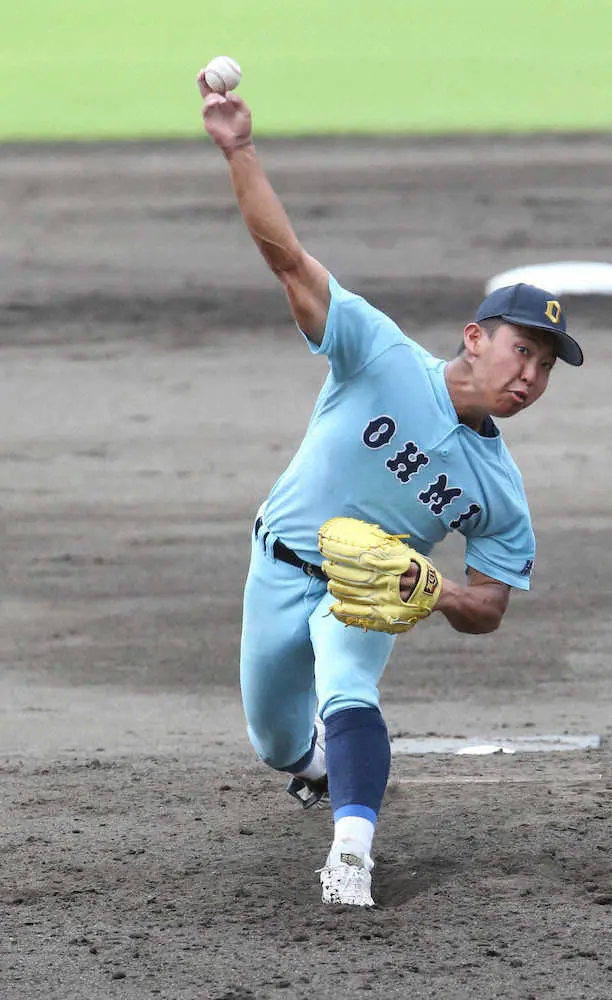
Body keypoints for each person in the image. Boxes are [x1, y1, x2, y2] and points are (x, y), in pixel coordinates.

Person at [197, 72, 583, 907]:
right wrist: (240, 150)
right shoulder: (376, 352)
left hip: (364, 593)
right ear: (474, 338)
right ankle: (316, 768)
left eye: (547, 366)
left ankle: (352, 855)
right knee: (274, 737)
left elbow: (490, 605)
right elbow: (288, 260)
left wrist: (434, 590)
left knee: (348, 679)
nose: (532, 375)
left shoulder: (499, 489)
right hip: (276, 561)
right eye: (524, 350)